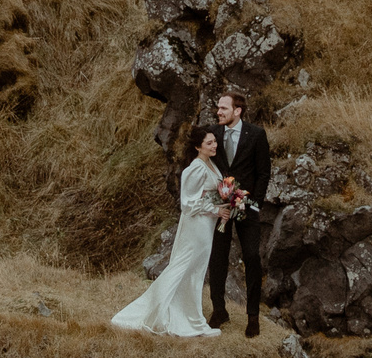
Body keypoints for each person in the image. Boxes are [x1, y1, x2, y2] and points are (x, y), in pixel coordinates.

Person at [109, 125, 225, 338]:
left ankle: (191, 316)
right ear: (199, 146)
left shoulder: (211, 164)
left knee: (195, 271)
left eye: (215, 141)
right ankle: (170, 315)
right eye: (209, 143)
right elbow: (188, 204)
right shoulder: (197, 168)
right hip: (196, 226)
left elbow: (210, 194)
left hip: (206, 225)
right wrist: (215, 209)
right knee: (185, 268)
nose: (214, 145)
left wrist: (223, 206)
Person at [205, 89, 272, 337]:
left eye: (223, 108)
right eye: (219, 107)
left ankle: (252, 316)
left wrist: (254, 203)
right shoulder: (212, 133)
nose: (218, 111)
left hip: (247, 209)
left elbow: (264, 172)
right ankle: (219, 310)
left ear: (237, 110)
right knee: (218, 257)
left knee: (252, 257)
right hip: (222, 209)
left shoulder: (256, 135)